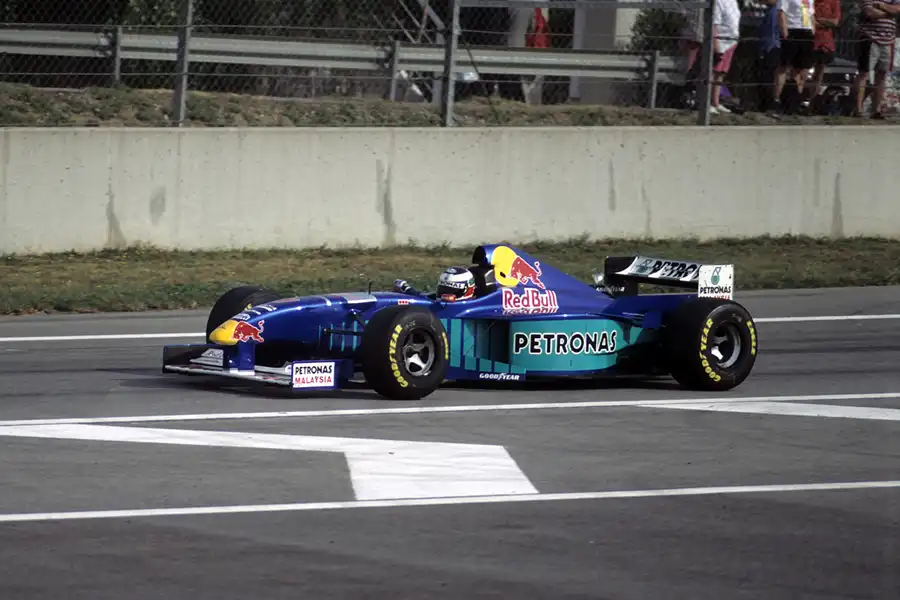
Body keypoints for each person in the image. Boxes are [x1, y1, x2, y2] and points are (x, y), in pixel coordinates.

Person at [854, 0, 900, 118]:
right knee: (864, 73)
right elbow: (870, 13)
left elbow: (898, 9)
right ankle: (858, 109)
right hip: (869, 38)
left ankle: (877, 110)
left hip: (888, 39)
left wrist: (881, 6)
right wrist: (890, 12)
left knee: (882, 74)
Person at [774, 0, 816, 113]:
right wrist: (785, 32)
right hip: (792, 30)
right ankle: (777, 99)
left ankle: (795, 99)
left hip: (806, 31)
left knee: (801, 68)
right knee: (784, 66)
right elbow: (781, 12)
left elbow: (811, 14)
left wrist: (813, 31)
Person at [710, 0, 742, 114]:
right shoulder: (718, 2)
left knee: (721, 73)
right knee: (713, 72)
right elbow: (714, 23)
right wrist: (715, 43)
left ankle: (716, 102)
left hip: (731, 41)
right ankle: (707, 102)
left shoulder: (733, 2)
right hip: (721, 41)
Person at [809, 0, 842, 100]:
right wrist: (825, 22)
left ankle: (812, 102)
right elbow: (807, 20)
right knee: (802, 71)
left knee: (819, 73)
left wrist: (818, 21)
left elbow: (835, 22)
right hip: (808, 39)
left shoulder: (834, 2)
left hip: (825, 42)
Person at [394, 266, 479, 302]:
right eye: (443, 289)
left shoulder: (476, 307)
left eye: (452, 290)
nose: (444, 294)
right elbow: (424, 297)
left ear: (468, 290)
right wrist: (406, 288)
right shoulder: (436, 300)